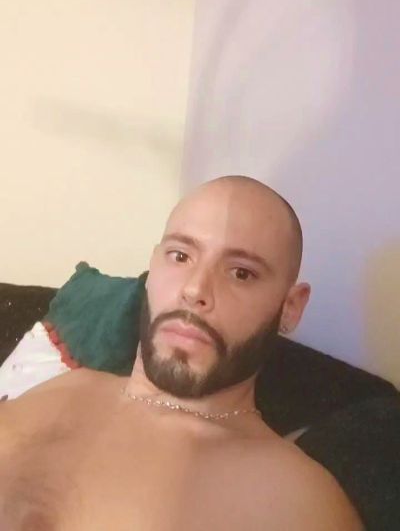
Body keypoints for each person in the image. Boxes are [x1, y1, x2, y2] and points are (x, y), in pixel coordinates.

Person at [0, 176, 363, 530]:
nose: (195, 289)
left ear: (290, 308)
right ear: (153, 265)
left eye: (241, 273)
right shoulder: (65, 388)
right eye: (180, 256)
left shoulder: (295, 500)